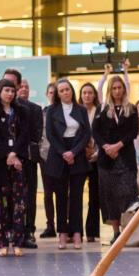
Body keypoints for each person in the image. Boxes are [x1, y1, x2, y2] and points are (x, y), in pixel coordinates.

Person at [0, 79, 30, 257]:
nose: (10, 93)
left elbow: (24, 135)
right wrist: (7, 155)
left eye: (12, 90)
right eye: (6, 90)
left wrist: (14, 154)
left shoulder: (21, 111)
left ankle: (17, 242)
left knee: (18, 204)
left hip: (17, 163)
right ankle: (2, 242)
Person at [45, 78, 91, 250]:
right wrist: (64, 152)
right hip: (58, 154)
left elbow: (86, 133)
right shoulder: (51, 110)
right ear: (57, 94)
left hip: (77, 154)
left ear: (72, 90)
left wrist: (74, 152)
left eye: (67, 89)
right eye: (61, 90)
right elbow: (50, 134)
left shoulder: (81, 109)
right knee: (61, 197)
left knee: (77, 197)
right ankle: (62, 233)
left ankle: (77, 233)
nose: (65, 92)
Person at [92, 75, 139, 244]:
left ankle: (129, 230)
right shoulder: (102, 108)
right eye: (114, 88)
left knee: (128, 195)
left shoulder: (131, 109)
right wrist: (106, 147)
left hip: (125, 158)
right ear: (109, 90)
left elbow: (133, 132)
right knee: (109, 196)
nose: (117, 91)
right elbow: (95, 131)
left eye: (120, 88)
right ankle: (116, 232)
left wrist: (117, 146)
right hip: (106, 160)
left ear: (124, 89)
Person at [16, 78, 42, 249]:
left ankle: (29, 230)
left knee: (30, 195)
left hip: (30, 158)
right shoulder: (11, 108)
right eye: (21, 86)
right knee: (16, 195)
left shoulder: (36, 109)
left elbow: (37, 133)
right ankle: (15, 230)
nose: (24, 89)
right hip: (13, 158)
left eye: (27, 87)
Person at [79, 82, 101, 242]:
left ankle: (92, 232)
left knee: (95, 196)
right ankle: (77, 231)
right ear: (80, 95)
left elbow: (104, 133)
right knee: (76, 196)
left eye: (90, 92)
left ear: (94, 95)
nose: (87, 95)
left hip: (97, 157)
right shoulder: (76, 111)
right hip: (79, 157)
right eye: (84, 93)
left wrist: (97, 152)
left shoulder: (99, 111)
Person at [37, 82, 57, 239]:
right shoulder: (42, 113)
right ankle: (50, 225)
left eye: (55, 92)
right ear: (46, 94)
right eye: (50, 92)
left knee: (65, 193)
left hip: (62, 156)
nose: (53, 94)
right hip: (45, 156)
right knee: (48, 192)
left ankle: (66, 225)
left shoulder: (64, 111)